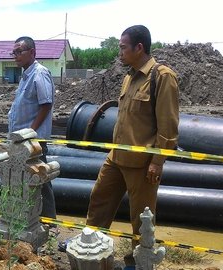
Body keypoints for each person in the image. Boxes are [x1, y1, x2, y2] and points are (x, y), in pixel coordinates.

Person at [85, 25, 179, 260]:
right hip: (116, 157)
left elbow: (168, 126)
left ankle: (139, 260)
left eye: (123, 47)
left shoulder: (162, 77)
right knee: (99, 200)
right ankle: (89, 246)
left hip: (142, 163)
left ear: (139, 47)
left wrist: (157, 162)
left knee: (142, 217)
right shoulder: (129, 76)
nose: (120, 52)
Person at [8, 36, 57, 221]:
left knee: (40, 179)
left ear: (32, 52)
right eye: (14, 52)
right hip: (21, 139)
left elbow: (46, 104)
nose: (16, 55)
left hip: (32, 141)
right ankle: (28, 217)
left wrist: (31, 132)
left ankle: (49, 222)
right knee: (22, 178)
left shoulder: (39, 74)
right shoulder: (26, 75)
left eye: (19, 51)